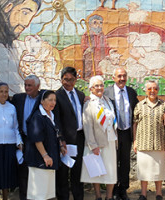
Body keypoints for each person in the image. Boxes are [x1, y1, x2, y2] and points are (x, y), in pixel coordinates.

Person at [0, 0, 42, 94]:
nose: (26, 23)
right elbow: (17, 86)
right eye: (25, 13)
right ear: (8, 7)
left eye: (31, 17)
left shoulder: (17, 45)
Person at [104, 67, 138, 200]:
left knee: (125, 162)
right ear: (113, 78)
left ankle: (123, 189)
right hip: (113, 133)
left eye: (124, 76)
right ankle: (112, 190)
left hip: (126, 133)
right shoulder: (107, 93)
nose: (122, 79)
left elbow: (136, 110)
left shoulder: (131, 92)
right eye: (119, 76)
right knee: (113, 161)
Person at [81, 75, 118, 200]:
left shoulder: (108, 100)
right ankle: (98, 196)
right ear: (91, 88)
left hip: (110, 140)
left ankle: (109, 196)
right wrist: (93, 145)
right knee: (96, 171)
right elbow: (87, 126)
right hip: (97, 142)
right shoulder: (88, 103)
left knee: (111, 170)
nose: (99, 88)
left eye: (101, 85)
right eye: (96, 86)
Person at [25, 90, 66, 199]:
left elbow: (55, 133)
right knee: (39, 194)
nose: (53, 103)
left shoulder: (51, 115)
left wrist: (61, 146)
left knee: (46, 193)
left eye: (55, 100)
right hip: (39, 160)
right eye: (50, 100)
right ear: (42, 101)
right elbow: (37, 139)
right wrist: (45, 155)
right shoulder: (37, 117)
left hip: (50, 158)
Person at [0, 82, 23, 200]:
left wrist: (19, 142)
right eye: (1, 91)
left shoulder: (12, 107)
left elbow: (15, 127)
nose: (4, 94)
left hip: (9, 145)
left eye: (6, 91)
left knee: (7, 174)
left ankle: (6, 198)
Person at [133, 80, 165, 200]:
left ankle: (159, 193)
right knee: (144, 170)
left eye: (155, 88)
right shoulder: (139, 105)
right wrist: (135, 140)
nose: (152, 91)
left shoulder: (164, 105)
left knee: (159, 169)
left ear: (158, 90)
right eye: (149, 89)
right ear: (145, 90)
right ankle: (143, 194)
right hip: (143, 142)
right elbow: (135, 124)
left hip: (160, 142)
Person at [54, 66, 86, 200]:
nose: (68, 83)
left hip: (79, 138)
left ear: (76, 80)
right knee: (63, 172)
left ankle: (78, 196)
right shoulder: (56, 96)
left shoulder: (80, 95)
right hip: (65, 140)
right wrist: (61, 140)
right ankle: (63, 197)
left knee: (77, 171)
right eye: (65, 79)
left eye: (71, 80)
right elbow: (56, 120)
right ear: (61, 80)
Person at [11, 75, 43, 200]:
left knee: (37, 170)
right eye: (25, 85)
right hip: (23, 140)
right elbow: (4, 103)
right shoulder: (19, 98)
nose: (27, 88)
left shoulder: (44, 98)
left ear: (37, 86)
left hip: (39, 141)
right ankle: (24, 197)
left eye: (30, 85)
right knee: (23, 171)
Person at [81, 14, 111, 79]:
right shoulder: (87, 35)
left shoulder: (102, 35)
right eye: (95, 23)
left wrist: (109, 52)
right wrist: (87, 49)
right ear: (90, 25)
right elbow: (83, 45)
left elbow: (106, 45)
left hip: (100, 55)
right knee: (89, 68)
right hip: (91, 56)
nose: (98, 25)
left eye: (100, 23)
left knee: (101, 68)